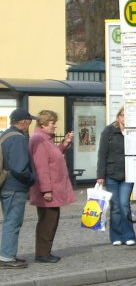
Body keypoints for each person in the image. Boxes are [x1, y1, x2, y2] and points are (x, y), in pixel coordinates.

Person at [28, 110, 75, 263]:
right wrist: (46, 190)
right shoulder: (39, 140)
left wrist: (64, 144)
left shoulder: (45, 139)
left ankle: (45, 252)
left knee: (51, 220)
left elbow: (53, 157)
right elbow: (41, 167)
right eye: (52, 123)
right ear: (43, 124)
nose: (55, 126)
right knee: (47, 222)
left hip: (52, 188)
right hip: (47, 190)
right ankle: (42, 254)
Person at [0, 109, 37, 269]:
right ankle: (7, 257)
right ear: (23, 122)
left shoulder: (5, 135)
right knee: (13, 222)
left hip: (5, 184)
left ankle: (7, 254)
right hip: (14, 186)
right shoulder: (18, 139)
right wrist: (32, 178)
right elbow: (19, 167)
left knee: (10, 220)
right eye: (29, 120)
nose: (30, 123)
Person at [96, 106, 136, 247]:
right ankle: (116, 236)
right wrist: (100, 175)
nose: (125, 118)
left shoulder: (134, 132)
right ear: (118, 116)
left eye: (127, 115)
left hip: (128, 174)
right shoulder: (109, 131)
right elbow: (102, 154)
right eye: (123, 115)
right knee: (116, 206)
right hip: (111, 173)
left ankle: (129, 235)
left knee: (125, 205)